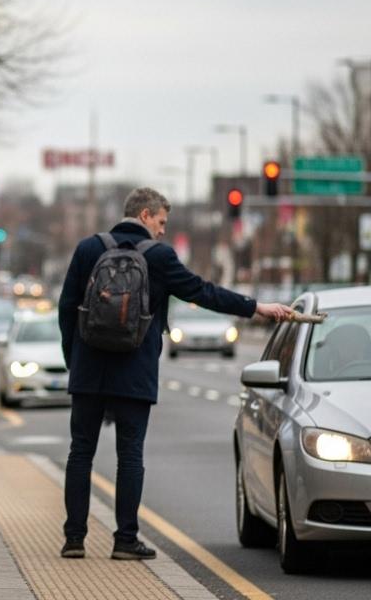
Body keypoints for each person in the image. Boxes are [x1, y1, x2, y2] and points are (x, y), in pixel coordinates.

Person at [56, 187, 293, 560]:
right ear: (146, 215)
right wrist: (256, 307)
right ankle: (125, 540)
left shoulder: (89, 248)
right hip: (135, 371)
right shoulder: (159, 256)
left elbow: (67, 307)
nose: (164, 230)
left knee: (80, 452)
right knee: (130, 455)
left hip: (89, 371)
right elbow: (201, 293)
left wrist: (75, 361)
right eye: (162, 221)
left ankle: (74, 539)